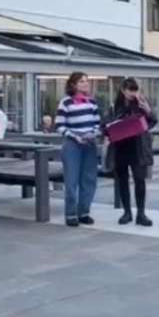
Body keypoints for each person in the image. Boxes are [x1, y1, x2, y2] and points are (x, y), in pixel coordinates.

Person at [105, 78, 158, 227]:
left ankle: (141, 213)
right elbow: (106, 125)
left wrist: (147, 110)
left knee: (139, 179)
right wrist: (115, 124)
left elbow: (153, 122)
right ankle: (127, 212)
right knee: (122, 180)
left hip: (138, 146)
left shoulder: (141, 103)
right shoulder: (115, 106)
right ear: (123, 90)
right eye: (130, 90)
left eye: (135, 90)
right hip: (121, 146)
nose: (133, 93)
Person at [55, 72, 100, 227]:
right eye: (82, 81)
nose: (85, 84)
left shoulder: (92, 102)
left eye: (87, 81)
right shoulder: (66, 102)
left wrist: (93, 134)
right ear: (73, 84)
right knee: (71, 180)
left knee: (89, 179)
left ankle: (84, 212)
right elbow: (60, 125)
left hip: (89, 143)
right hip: (72, 144)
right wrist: (74, 136)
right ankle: (71, 214)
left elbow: (97, 123)